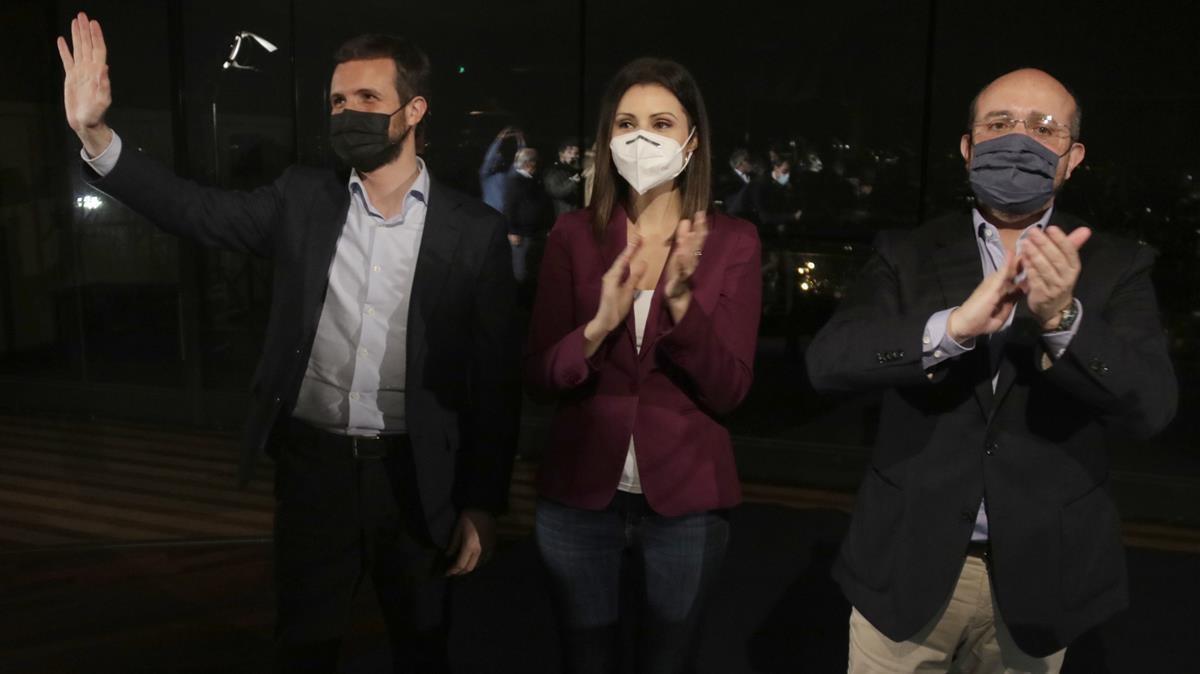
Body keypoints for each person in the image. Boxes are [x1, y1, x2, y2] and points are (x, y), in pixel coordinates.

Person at [58, 13, 520, 673]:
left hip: (417, 475)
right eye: (338, 100)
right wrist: (96, 135)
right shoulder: (303, 198)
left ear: (413, 109)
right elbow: (196, 210)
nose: (348, 112)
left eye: (367, 99)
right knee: (304, 644)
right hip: (315, 472)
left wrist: (481, 503)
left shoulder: (474, 231)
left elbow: (494, 381)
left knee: (423, 644)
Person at [806, 68, 1177, 673]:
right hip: (905, 567)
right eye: (999, 124)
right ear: (967, 145)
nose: (1018, 140)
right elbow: (829, 362)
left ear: (1072, 156)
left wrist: (1065, 320)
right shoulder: (907, 252)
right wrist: (950, 330)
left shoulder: (1118, 265)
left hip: (1040, 576)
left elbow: (1151, 405)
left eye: (1043, 128)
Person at [524, 57, 762, 674]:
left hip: (686, 500)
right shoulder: (573, 235)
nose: (641, 137)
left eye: (661, 122)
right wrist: (599, 326)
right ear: (607, 138)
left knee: (669, 660)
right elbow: (541, 375)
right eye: (626, 123)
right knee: (584, 657)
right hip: (580, 495)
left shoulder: (732, 241)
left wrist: (681, 304)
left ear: (691, 140)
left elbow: (730, 388)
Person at [504, 147, 552, 287]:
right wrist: (512, 230)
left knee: (532, 268)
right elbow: (510, 207)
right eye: (534, 162)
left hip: (534, 232)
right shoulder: (514, 181)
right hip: (521, 234)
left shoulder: (532, 180)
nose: (536, 165)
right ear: (528, 164)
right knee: (521, 271)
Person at [480, 125, 525, 213]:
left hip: (504, 219)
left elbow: (520, 162)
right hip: (488, 216)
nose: (496, 160)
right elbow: (489, 159)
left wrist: (520, 139)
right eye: (496, 158)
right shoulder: (485, 177)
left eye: (498, 159)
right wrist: (499, 139)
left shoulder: (509, 177)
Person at [542, 137, 583, 218]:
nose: (574, 156)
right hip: (564, 214)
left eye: (576, 153)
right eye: (570, 152)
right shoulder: (553, 172)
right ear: (561, 154)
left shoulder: (573, 168)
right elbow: (556, 192)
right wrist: (573, 182)